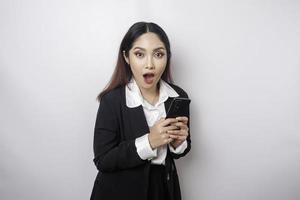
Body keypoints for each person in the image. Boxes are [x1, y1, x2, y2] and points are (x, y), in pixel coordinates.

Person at [90, 21, 191, 200]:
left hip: (164, 189)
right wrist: (150, 141)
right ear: (127, 57)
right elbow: (103, 160)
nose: (149, 64)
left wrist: (178, 143)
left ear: (167, 57)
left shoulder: (178, 96)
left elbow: (182, 149)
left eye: (158, 54)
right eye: (139, 54)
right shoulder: (112, 100)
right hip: (120, 192)